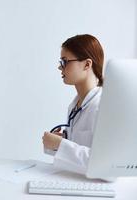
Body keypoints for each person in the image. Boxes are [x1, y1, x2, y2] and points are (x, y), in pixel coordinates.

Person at [42, 34, 104, 175]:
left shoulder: (103, 106)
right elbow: (79, 150)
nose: (60, 67)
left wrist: (60, 145)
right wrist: (60, 142)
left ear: (87, 64)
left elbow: (106, 165)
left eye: (65, 61)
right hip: (74, 180)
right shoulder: (75, 105)